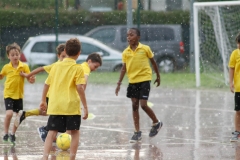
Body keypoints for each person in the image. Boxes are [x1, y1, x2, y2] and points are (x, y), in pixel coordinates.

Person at [40, 38, 88, 160]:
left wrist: (43, 101)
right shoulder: (78, 68)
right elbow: (80, 88)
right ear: (79, 53)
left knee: (52, 132)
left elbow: (46, 84)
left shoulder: (55, 66)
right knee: (75, 131)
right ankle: (72, 157)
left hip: (56, 105)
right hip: (71, 106)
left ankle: (45, 157)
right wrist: (86, 107)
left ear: (65, 50)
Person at [37, 52, 102, 142]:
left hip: (58, 98)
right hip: (68, 99)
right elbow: (83, 83)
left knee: (60, 125)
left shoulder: (79, 65)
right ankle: (51, 133)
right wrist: (81, 95)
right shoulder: (84, 67)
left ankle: (60, 140)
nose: (95, 69)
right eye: (95, 66)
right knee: (69, 126)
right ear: (89, 61)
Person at [115, 28, 162, 143]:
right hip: (132, 81)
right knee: (134, 106)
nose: (129, 37)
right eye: (127, 35)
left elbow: (153, 62)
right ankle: (137, 132)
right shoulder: (126, 52)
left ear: (138, 37)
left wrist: (158, 76)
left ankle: (156, 122)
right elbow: (124, 68)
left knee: (143, 105)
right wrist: (119, 83)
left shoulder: (145, 49)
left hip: (145, 80)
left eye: (131, 35)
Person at [14, 43, 67, 127]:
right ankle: (48, 130)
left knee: (46, 112)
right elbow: (41, 68)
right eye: (63, 56)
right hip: (52, 95)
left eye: (67, 57)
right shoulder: (56, 65)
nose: (65, 59)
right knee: (56, 113)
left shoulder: (67, 66)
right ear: (58, 56)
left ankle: (25, 114)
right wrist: (28, 75)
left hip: (57, 95)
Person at [0, 43, 35, 144]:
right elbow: (1, 76)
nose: (15, 56)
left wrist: (28, 76)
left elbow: (30, 79)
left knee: (19, 115)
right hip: (9, 94)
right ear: (8, 56)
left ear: (20, 55)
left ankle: (12, 133)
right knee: (9, 113)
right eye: (12, 55)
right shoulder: (6, 67)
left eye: (17, 54)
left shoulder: (24, 66)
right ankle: (5, 132)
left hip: (19, 95)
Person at [229, 33, 240, 142]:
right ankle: (237, 131)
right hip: (239, 88)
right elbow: (231, 68)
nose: (239, 45)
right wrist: (230, 82)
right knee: (238, 111)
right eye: (238, 43)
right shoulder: (235, 54)